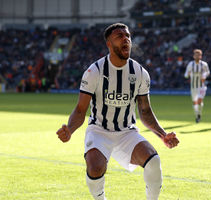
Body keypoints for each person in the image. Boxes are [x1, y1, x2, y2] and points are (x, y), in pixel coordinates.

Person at [56, 23, 179, 200]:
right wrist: (70, 129)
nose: (125, 39)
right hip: (99, 130)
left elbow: (145, 111)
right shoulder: (94, 71)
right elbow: (80, 109)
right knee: (95, 167)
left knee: (154, 161)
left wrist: (163, 135)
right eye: (119, 36)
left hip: (127, 132)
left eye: (127, 36)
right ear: (109, 44)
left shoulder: (140, 73)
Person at [184, 49, 210, 123]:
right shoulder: (190, 64)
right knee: (195, 102)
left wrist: (204, 75)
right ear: (193, 56)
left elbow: (208, 72)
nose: (197, 56)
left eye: (198, 55)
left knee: (199, 101)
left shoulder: (204, 64)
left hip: (202, 86)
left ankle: (199, 114)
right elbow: (186, 75)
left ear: (201, 56)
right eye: (196, 55)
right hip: (193, 87)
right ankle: (197, 115)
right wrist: (188, 74)